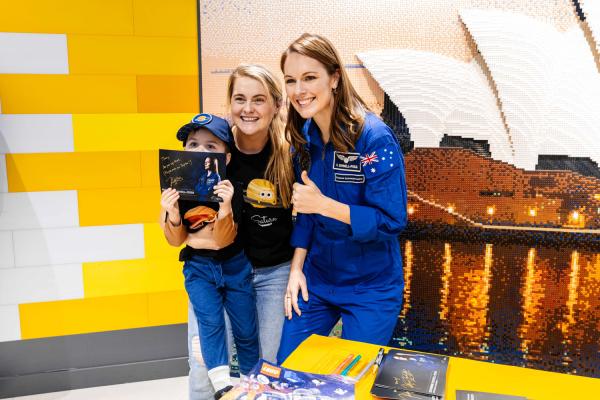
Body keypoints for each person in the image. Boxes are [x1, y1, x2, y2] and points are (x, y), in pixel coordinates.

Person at [276, 33, 408, 363]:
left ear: (334, 77)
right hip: (318, 280)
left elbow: (392, 221)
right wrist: (296, 270)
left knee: (352, 381)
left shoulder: (374, 138)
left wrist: (326, 206)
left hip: (370, 288)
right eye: (291, 80)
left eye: (309, 78)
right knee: (289, 370)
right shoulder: (303, 137)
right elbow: (305, 210)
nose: (298, 90)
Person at [187, 64, 295, 399]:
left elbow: (305, 220)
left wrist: (297, 272)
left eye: (259, 99)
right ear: (230, 104)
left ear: (276, 105)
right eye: (240, 99)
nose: (248, 109)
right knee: (205, 364)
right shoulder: (212, 151)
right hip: (216, 270)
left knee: (265, 365)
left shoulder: (289, 156)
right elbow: (186, 220)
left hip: (272, 273)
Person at [160, 113, 259, 399]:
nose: (200, 152)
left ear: (226, 158)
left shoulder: (232, 190)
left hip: (235, 265)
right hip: (198, 268)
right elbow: (175, 240)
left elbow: (223, 239)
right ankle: (221, 384)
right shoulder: (175, 191)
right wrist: (174, 215)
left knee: (245, 327)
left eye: (211, 147)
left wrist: (225, 208)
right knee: (210, 322)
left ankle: (254, 385)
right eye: (192, 144)